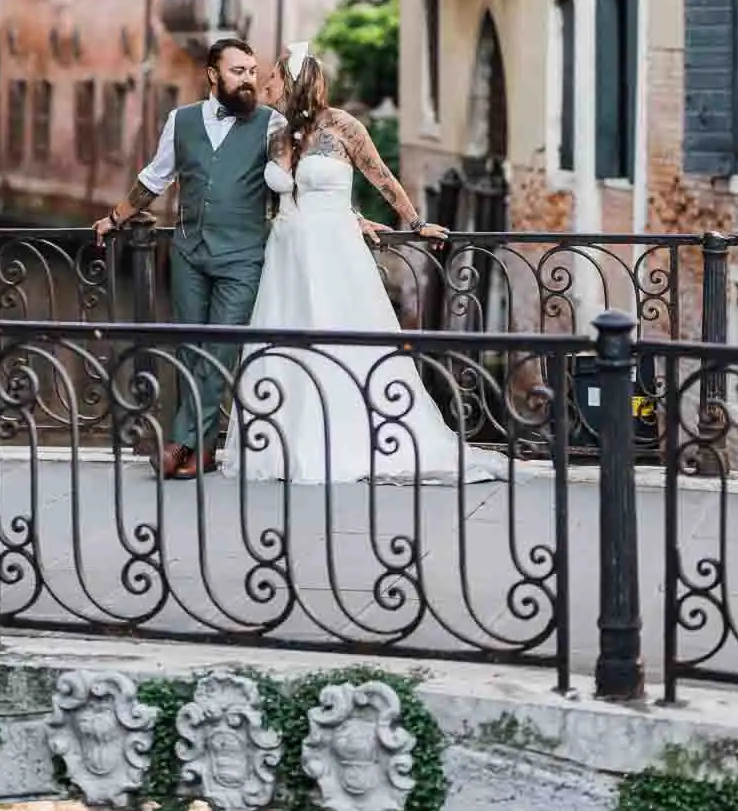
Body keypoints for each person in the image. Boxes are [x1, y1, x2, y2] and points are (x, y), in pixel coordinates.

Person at [221, 41, 504, 485]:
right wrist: (357, 215)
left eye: (274, 76)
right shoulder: (276, 134)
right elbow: (282, 194)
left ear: (294, 81)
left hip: (333, 253)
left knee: (338, 339)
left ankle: (348, 440)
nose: (266, 83)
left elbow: (380, 176)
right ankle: (286, 443)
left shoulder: (344, 126)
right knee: (287, 343)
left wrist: (415, 222)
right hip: (288, 256)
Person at [94, 38, 283, 477]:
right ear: (213, 75)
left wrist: (351, 217)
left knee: (218, 348)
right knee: (190, 348)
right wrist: (115, 218)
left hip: (243, 255)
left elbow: (297, 178)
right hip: (189, 252)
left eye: (253, 71)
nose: (248, 79)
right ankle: (204, 452)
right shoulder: (181, 121)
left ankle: (178, 442)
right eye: (238, 71)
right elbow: (154, 179)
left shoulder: (272, 124)